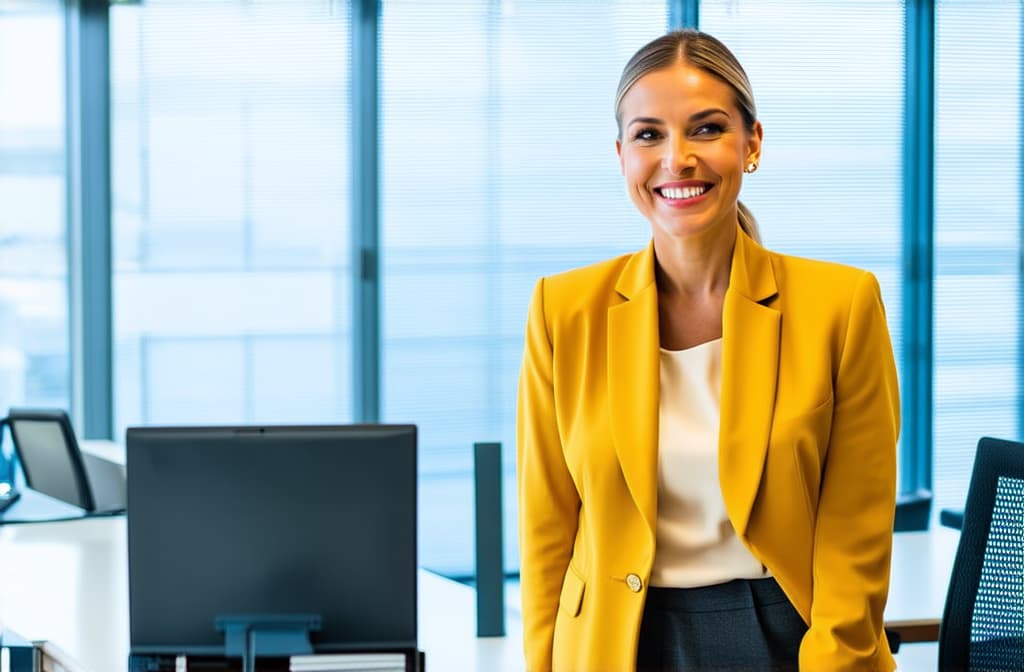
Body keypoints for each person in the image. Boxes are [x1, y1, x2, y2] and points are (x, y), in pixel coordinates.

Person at [516, 29, 899, 671]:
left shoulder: (841, 306)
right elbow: (546, 532)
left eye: (706, 129)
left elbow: (855, 536)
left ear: (751, 143)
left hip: (786, 638)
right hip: (616, 645)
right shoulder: (564, 311)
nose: (677, 159)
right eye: (648, 135)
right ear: (620, 155)